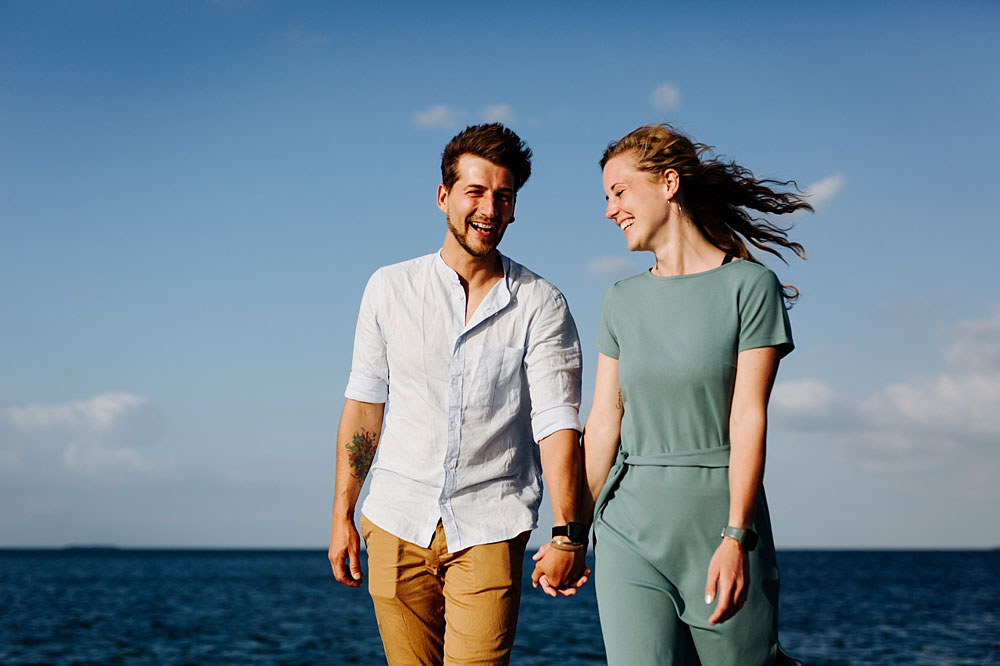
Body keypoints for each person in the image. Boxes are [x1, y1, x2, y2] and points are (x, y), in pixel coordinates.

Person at [327, 123, 589, 666]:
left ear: (515, 207)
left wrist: (567, 533)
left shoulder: (542, 303)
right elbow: (364, 408)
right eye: (475, 191)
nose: (489, 209)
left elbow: (557, 422)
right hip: (396, 521)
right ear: (444, 196)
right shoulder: (388, 287)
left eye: (503, 196)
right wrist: (342, 514)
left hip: (490, 525)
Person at [582, 124, 809, 665]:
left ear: (668, 183)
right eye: (606, 197)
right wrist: (572, 529)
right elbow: (604, 423)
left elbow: (749, 418)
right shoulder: (621, 300)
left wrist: (736, 537)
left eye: (619, 191)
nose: (610, 210)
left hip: (718, 529)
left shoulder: (750, 287)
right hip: (626, 528)